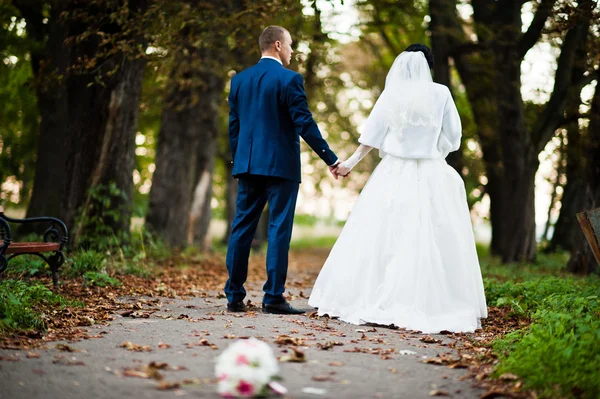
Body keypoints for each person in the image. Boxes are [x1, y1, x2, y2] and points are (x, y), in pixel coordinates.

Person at [308, 44, 488, 333]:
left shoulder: (391, 94)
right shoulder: (441, 93)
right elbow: (453, 137)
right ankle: (430, 302)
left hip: (393, 173)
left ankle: (376, 296)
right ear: (428, 66)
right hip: (430, 171)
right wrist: (434, 151)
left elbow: (372, 137)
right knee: (430, 235)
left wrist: (349, 165)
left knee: (384, 235)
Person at [225, 26, 342, 315]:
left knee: (241, 229)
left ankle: (234, 296)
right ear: (277, 45)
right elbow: (304, 123)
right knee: (278, 229)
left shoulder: (239, 80)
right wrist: (331, 159)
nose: (292, 51)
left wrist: (238, 160)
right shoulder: (290, 80)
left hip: (248, 165)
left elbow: (235, 127)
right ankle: (273, 298)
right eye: (290, 45)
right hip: (281, 167)